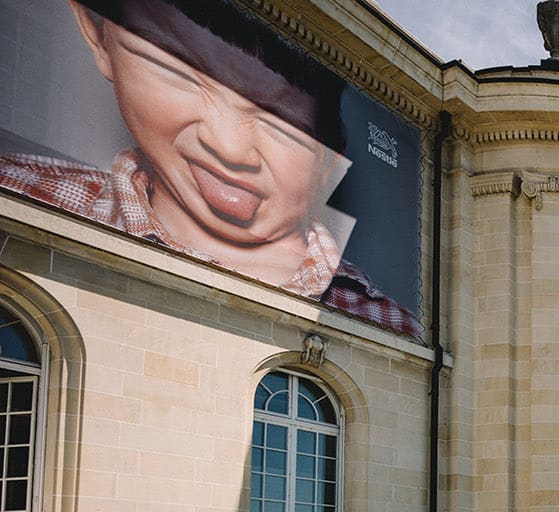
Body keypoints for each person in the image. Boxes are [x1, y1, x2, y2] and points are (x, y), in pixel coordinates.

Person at [0, 0, 419, 337]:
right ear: (96, 32)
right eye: (176, 72)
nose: (230, 148)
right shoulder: (16, 189)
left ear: (332, 157)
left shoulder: (391, 322)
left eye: (282, 123)